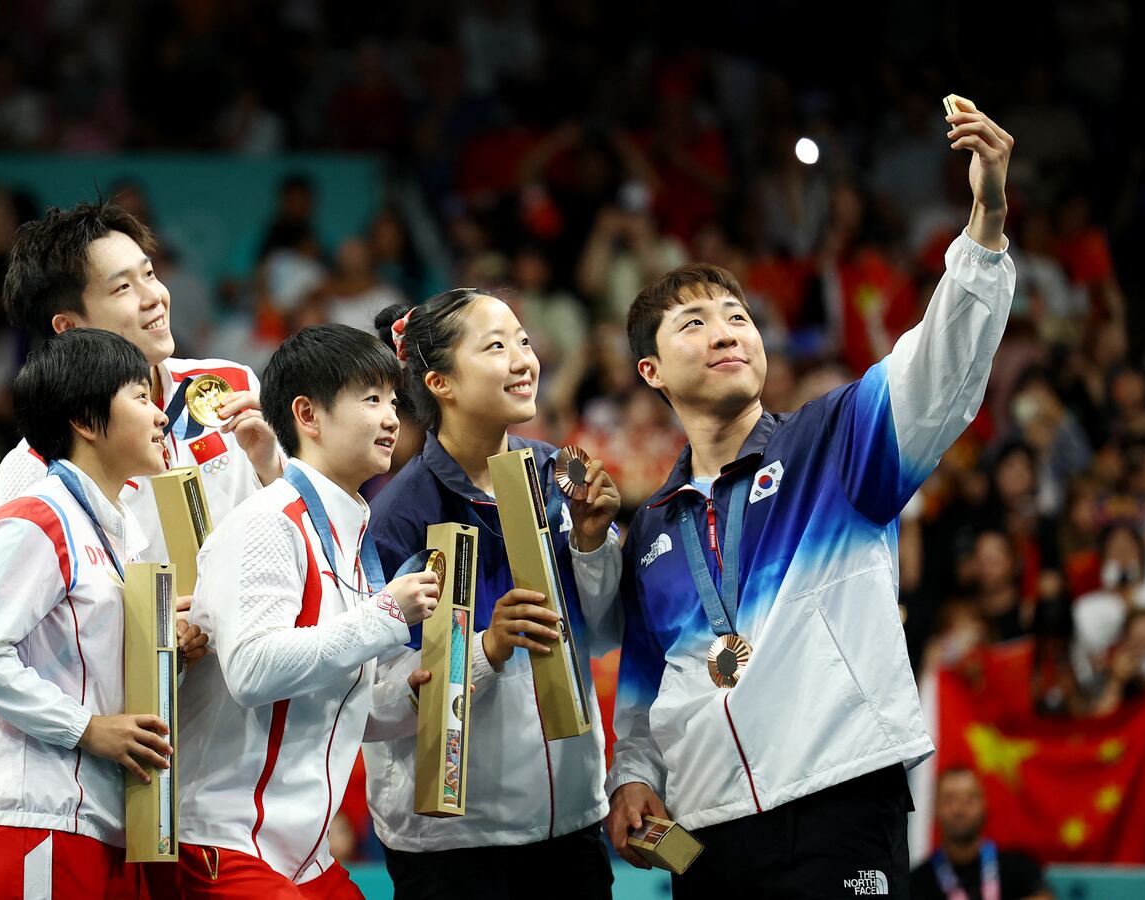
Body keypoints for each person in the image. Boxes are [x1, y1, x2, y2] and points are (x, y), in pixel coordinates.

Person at [606, 98, 1017, 898]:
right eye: (695, 323)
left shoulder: (834, 444)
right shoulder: (653, 529)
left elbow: (939, 368)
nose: (728, 331)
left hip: (839, 800)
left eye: (738, 316)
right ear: (651, 372)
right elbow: (645, 688)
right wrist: (631, 779)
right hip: (707, 833)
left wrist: (986, 227)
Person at [362, 290, 624, 898]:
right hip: (455, 847)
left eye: (524, 341)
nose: (523, 358)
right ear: (441, 383)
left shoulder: (563, 475)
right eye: (496, 346)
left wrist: (591, 544)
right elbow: (372, 703)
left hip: (572, 825)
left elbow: (609, 633)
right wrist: (484, 648)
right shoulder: (397, 519)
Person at [173, 324, 442, 898]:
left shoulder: (349, 531)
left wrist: (414, 700)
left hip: (305, 857)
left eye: (394, 402)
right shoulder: (269, 521)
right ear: (308, 414)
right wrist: (385, 615)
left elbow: (332, 703)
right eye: (371, 400)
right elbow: (251, 672)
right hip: (227, 842)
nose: (392, 418)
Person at [0, 328, 208, 897]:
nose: (161, 414)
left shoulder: (122, 533)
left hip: (104, 818)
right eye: (140, 397)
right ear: (87, 421)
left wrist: (170, 652)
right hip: (36, 818)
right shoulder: (36, 518)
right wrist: (87, 728)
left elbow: (97, 673)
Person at [0, 200, 283, 562]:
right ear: (69, 328)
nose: (154, 298)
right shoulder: (37, 465)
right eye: (122, 288)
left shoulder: (231, 385)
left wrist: (272, 470)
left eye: (149, 274)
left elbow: (300, 542)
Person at [910, 768, 1053, 900]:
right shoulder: (917, 881)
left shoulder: (1019, 867)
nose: (959, 809)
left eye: (969, 799)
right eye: (949, 799)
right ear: (935, 808)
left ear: (985, 805)